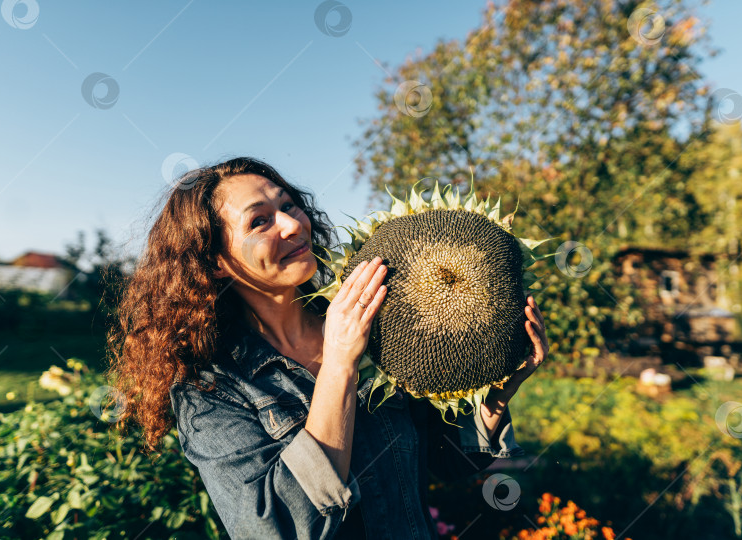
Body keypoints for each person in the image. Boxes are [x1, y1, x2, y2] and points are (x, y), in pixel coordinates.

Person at [105, 157, 549, 539]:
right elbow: (276, 527)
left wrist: (494, 394)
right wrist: (339, 362)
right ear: (217, 263)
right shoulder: (211, 390)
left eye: (288, 204)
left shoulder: (381, 327)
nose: (294, 224)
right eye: (260, 221)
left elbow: (444, 463)